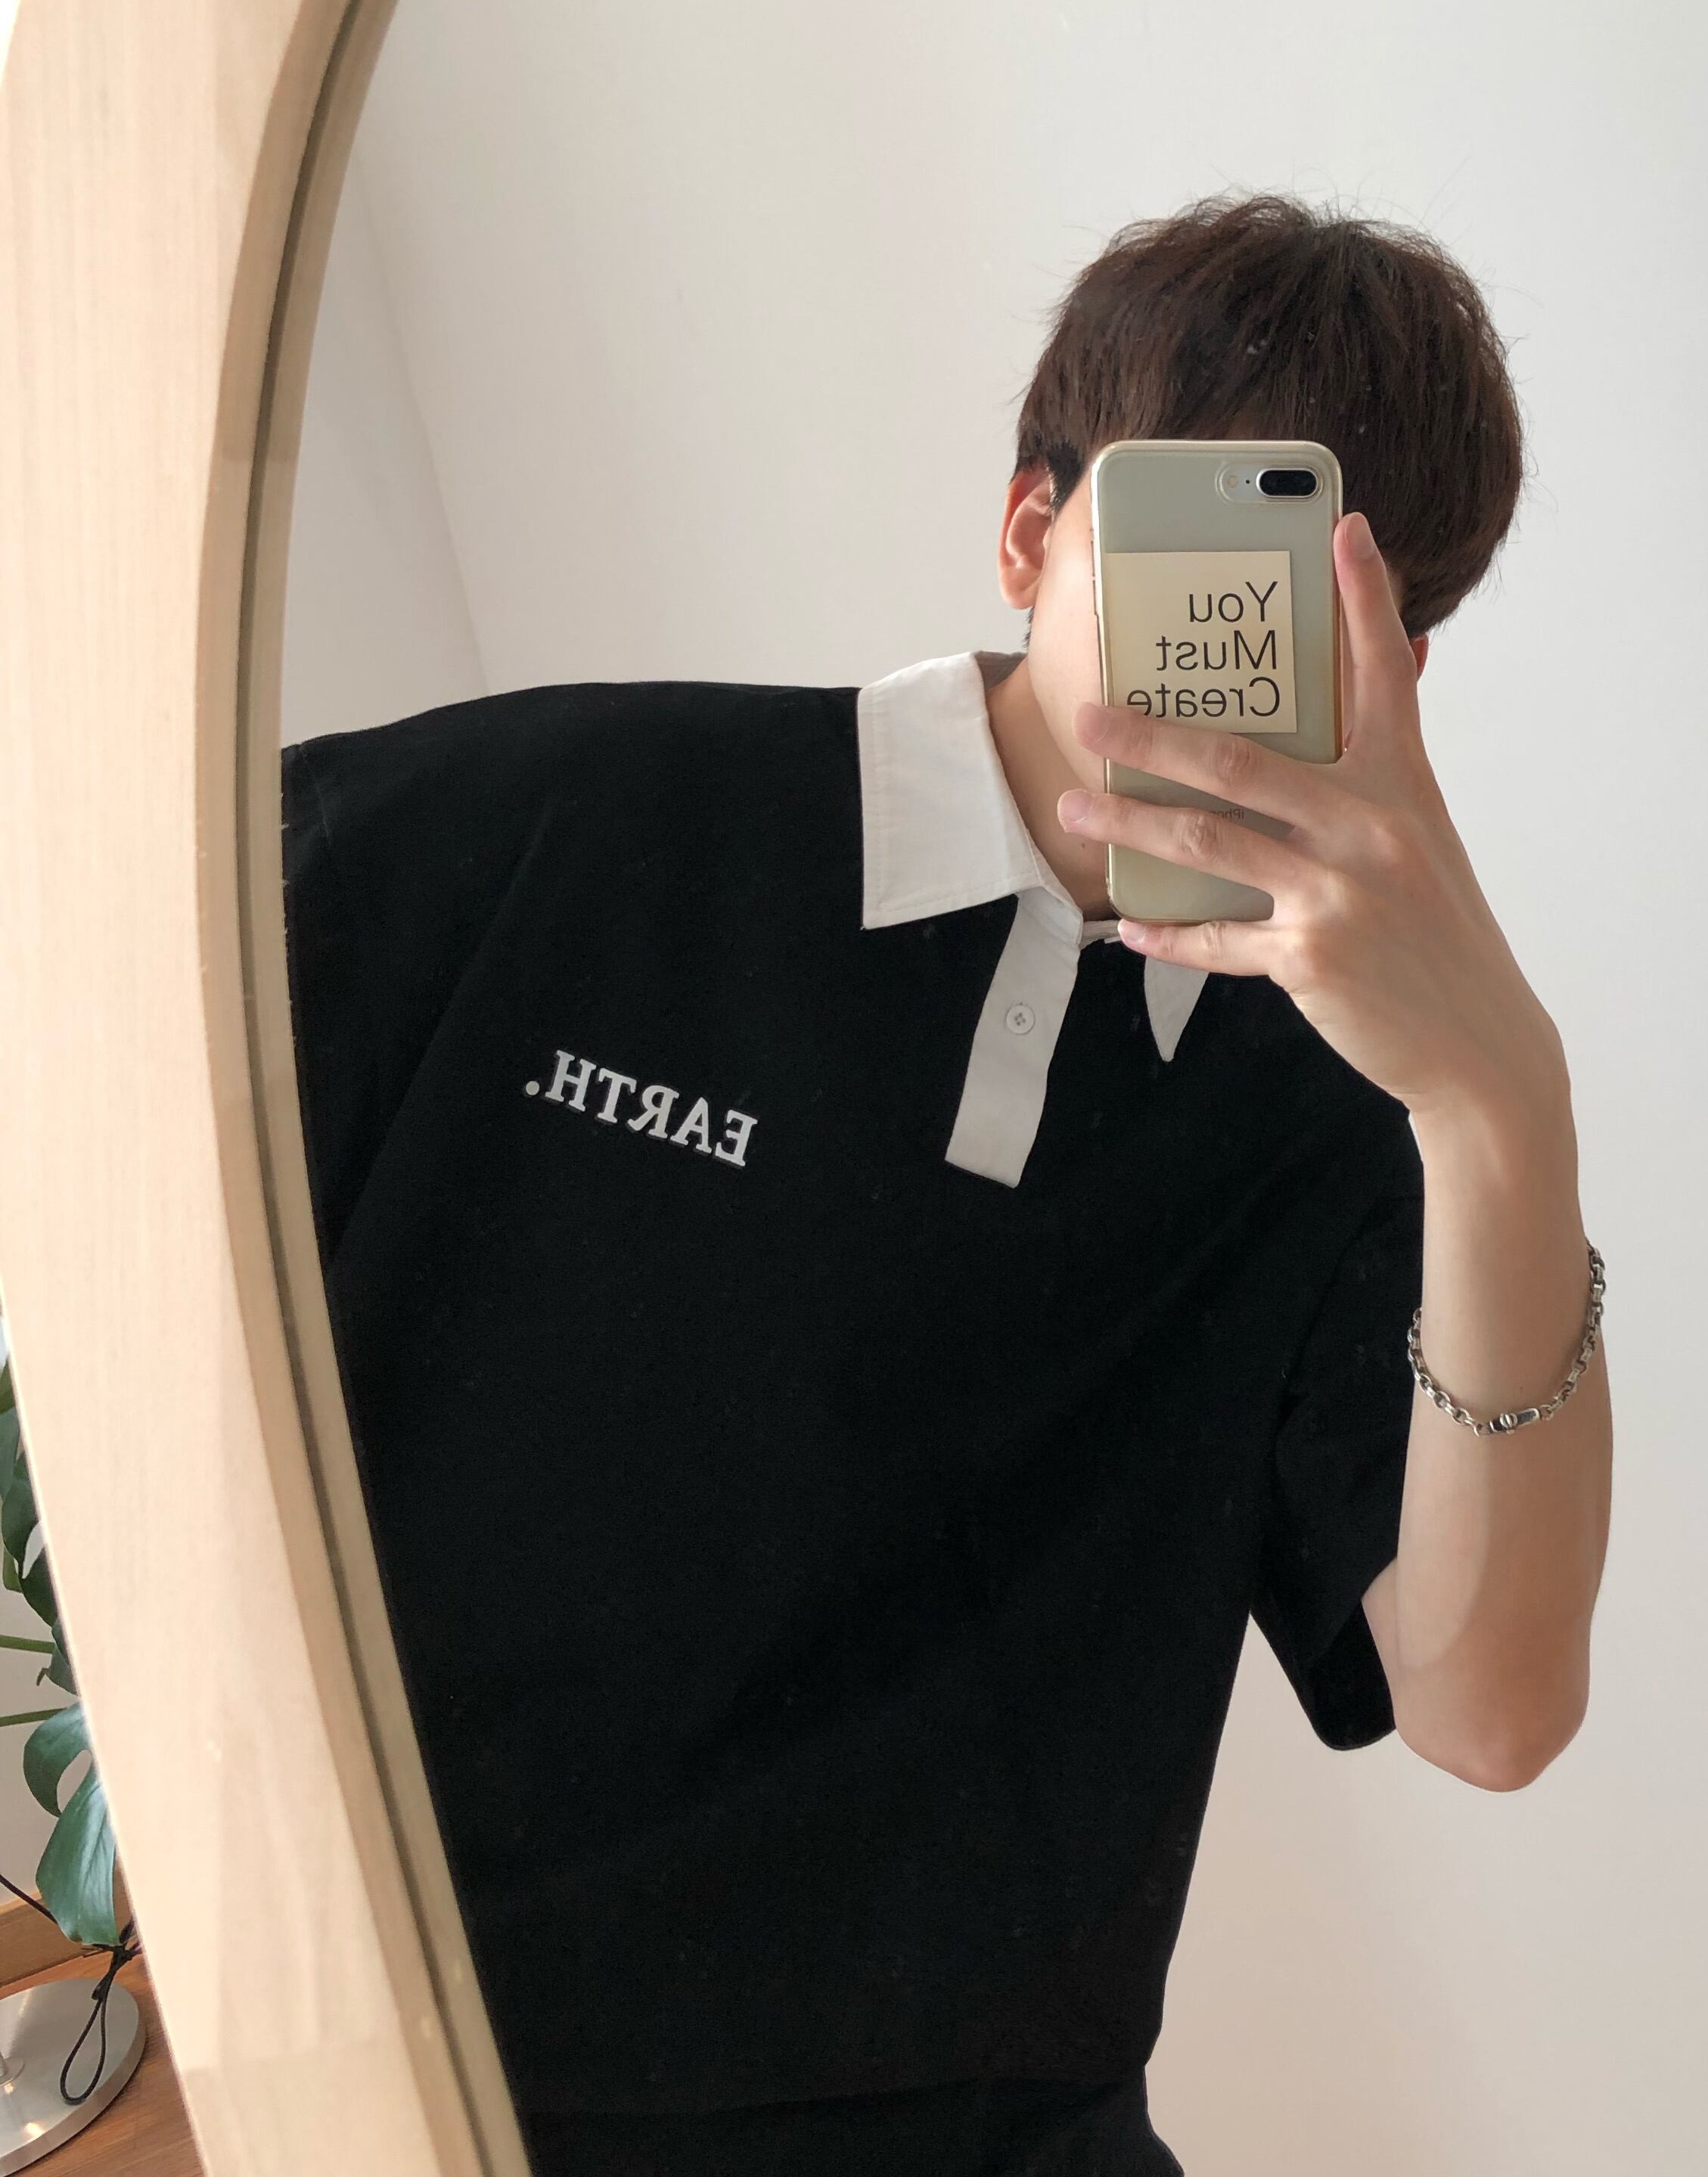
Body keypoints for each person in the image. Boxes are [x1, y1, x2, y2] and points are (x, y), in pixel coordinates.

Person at [280, 189, 1613, 2177]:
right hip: (405, 2097)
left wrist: (1506, 1103)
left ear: (1403, 665)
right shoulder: (557, 827)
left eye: (1323, 613)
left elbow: (1490, 1710)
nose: (1229, 661)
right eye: (1193, 564)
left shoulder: (1349, 1105)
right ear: (1026, 533)